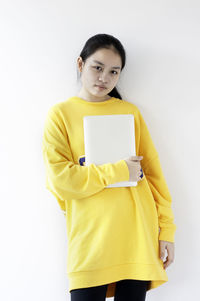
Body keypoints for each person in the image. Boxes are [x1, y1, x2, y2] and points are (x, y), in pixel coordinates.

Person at [42, 33, 176, 301]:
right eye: (97, 67)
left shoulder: (130, 112)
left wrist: (167, 232)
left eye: (114, 71)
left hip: (136, 236)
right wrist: (118, 171)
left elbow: (153, 176)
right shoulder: (61, 115)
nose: (104, 77)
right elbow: (61, 180)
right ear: (80, 64)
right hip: (89, 240)